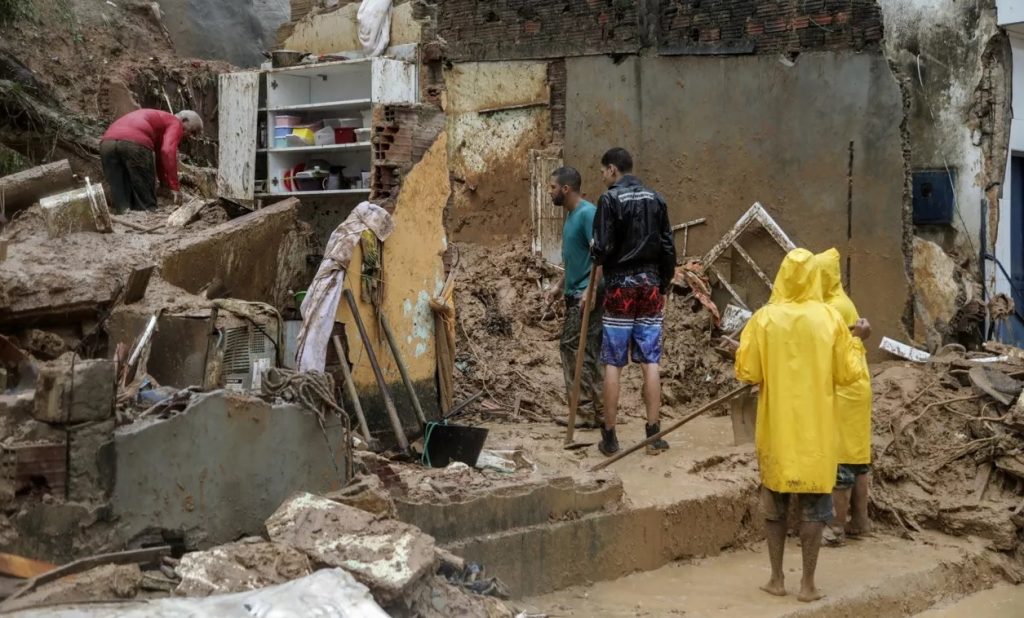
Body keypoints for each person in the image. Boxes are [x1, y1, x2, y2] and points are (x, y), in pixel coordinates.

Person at [735, 248, 871, 602]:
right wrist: (857, 341)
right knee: (814, 509)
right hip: (816, 437)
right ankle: (808, 585)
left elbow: (747, 371)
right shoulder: (830, 320)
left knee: (774, 506)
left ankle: (776, 578)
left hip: (777, 433)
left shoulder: (764, 319)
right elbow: (848, 374)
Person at [591, 148, 676, 456]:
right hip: (650, 284)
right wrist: (663, 283)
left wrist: (594, 249)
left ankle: (610, 438)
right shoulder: (657, 199)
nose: (603, 177)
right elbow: (668, 247)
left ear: (613, 169)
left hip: (620, 287)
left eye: (603, 171)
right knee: (650, 360)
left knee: (614, 362)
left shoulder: (609, 200)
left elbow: (602, 249)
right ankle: (653, 435)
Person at [816, 248, 873, 547]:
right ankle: (860, 522)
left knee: (839, 462)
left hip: (844, 391)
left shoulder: (832, 308)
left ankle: (835, 527)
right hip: (858, 387)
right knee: (857, 460)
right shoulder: (842, 302)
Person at [544, 167, 604, 429]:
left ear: (566, 189)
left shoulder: (587, 214)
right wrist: (559, 286)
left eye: (552, 187)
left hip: (585, 294)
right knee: (588, 351)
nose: (550, 192)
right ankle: (598, 412)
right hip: (576, 290)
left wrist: (590, 289)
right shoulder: (571, 216)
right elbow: (575, 261)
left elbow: (601, 255)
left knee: (570, 348)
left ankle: (583, 411)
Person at [100, 109, 204, 213]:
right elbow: (167, 151)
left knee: (119, 186)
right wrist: (175, 187)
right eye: (193, 132)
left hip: (107, 143)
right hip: (134, 141)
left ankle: (124, 213)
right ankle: (148, 213)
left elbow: (160, 158)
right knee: (145, 194)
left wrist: (164, 183)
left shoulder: (160, 123)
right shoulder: (175, 122)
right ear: (184, 120)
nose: (191, 137)